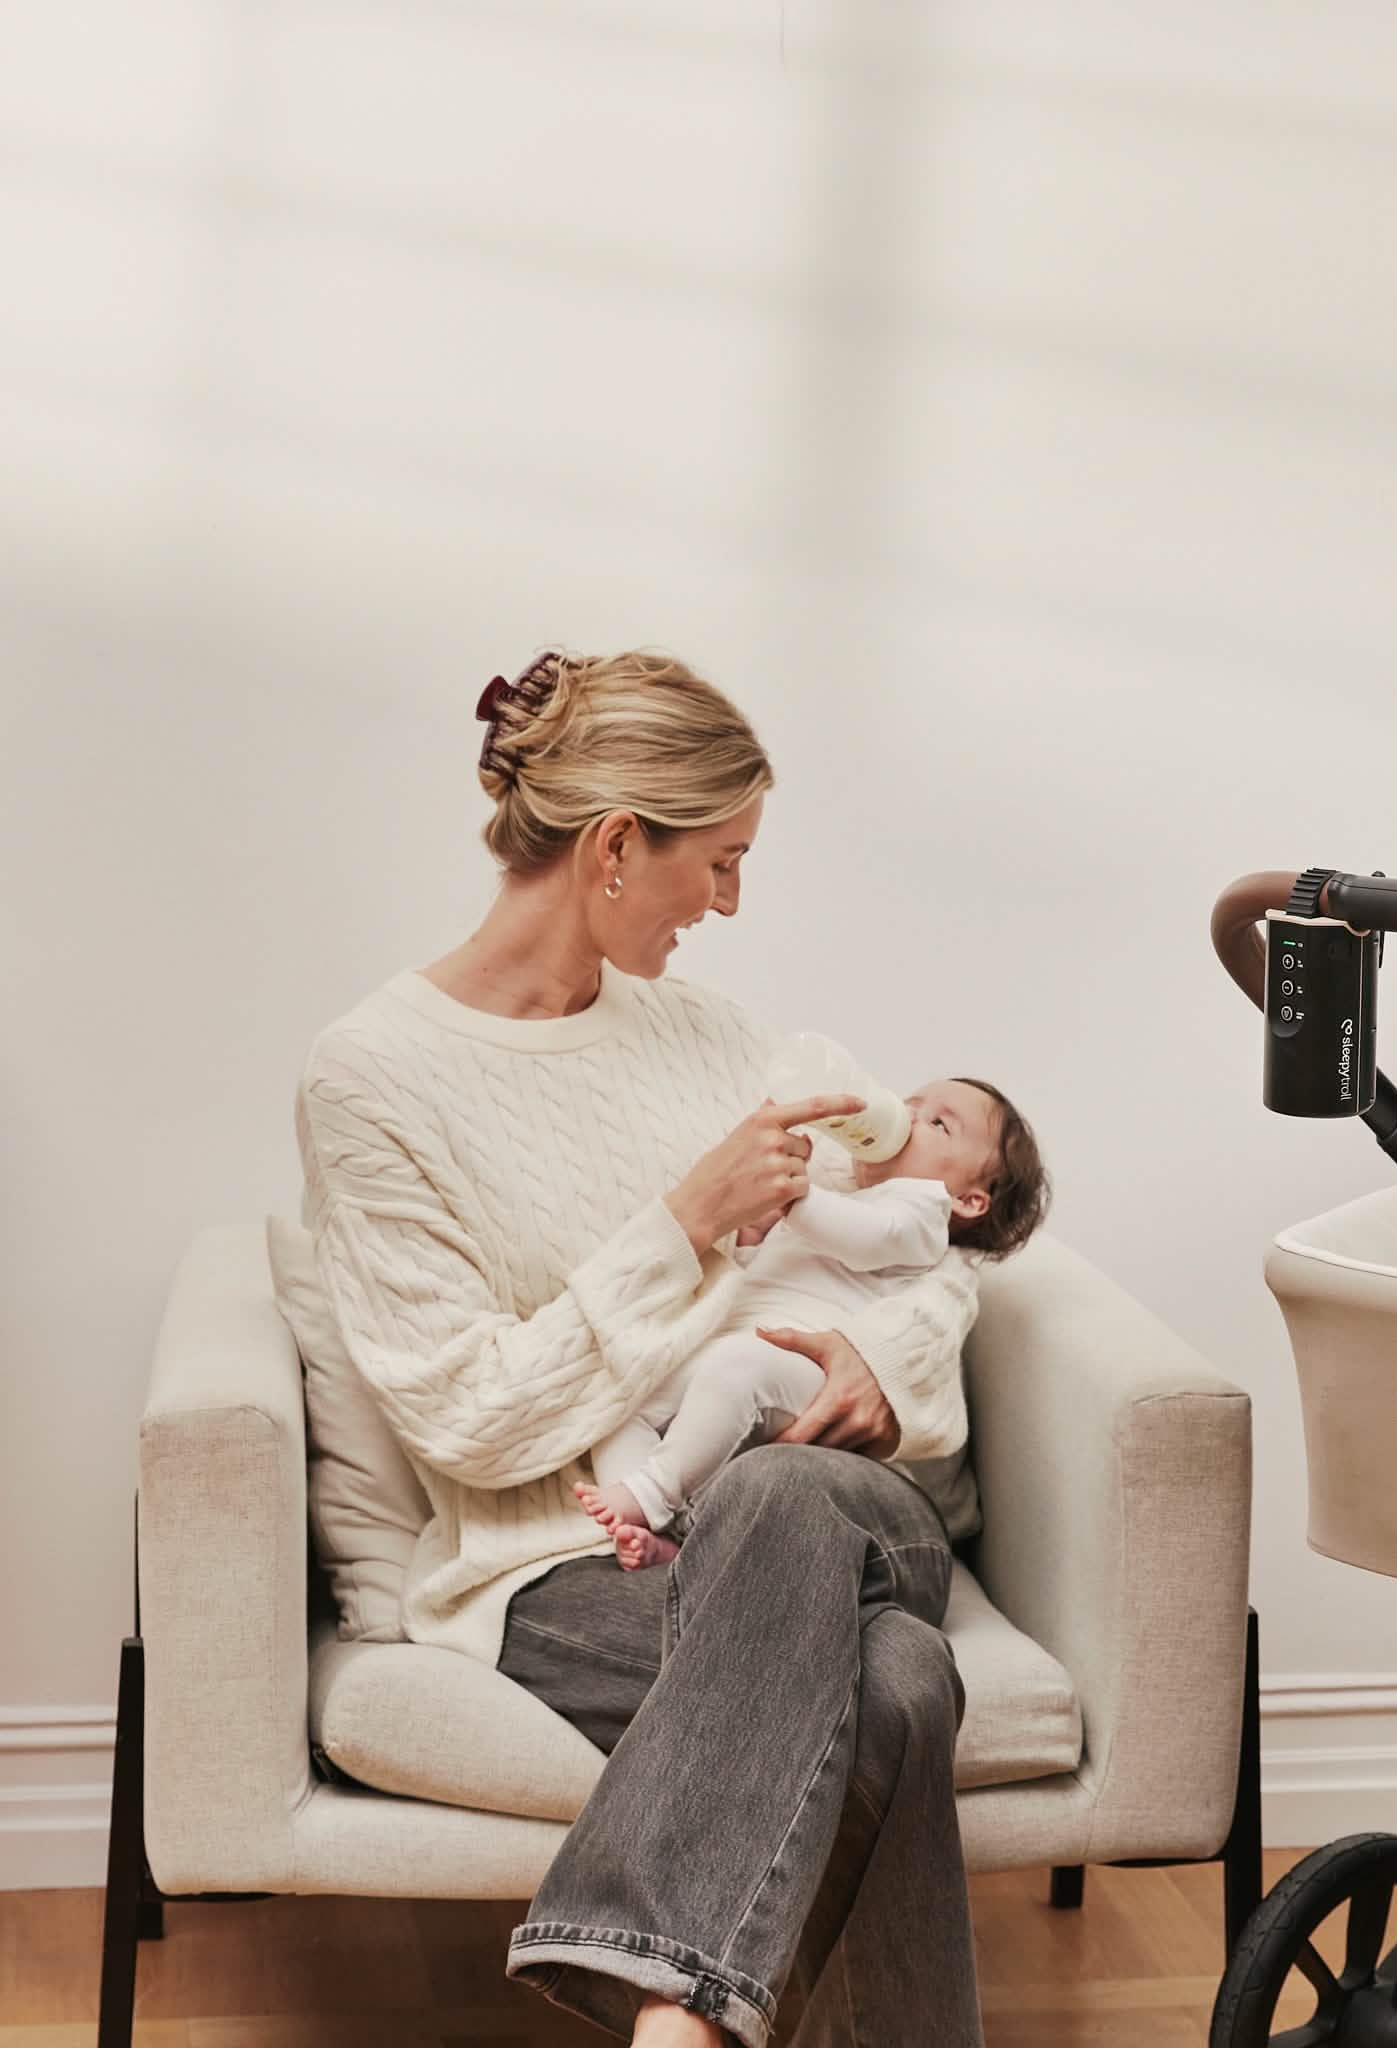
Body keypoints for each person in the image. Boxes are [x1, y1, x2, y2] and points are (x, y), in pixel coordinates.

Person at [293, 648, 987, 2045]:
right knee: (901, 1685)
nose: (731, 903)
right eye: (720, 862)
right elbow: (471, 1423)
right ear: (616, 847)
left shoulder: (715, 1039)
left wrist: (887, 1372)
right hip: (560, 1568)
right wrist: (676, 1228)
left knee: (781, 1491)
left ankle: (664, 2007)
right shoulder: (371, 1080)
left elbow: (926, 1259)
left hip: (844, 1504)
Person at [578, 1077, 1048, 1569]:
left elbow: (865, 1236)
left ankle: (652, 1493)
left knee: (739, 1369)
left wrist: (793, 1196)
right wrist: (753, 1232)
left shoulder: (921, 1214)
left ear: (968, 1200)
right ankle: (648, 1525)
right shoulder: (840, 1193)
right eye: (912, 1103)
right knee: (622, 1400)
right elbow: (766, 1268)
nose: (908, 1118)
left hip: (804, 1370)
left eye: (938, 1124)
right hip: (742, 1350)